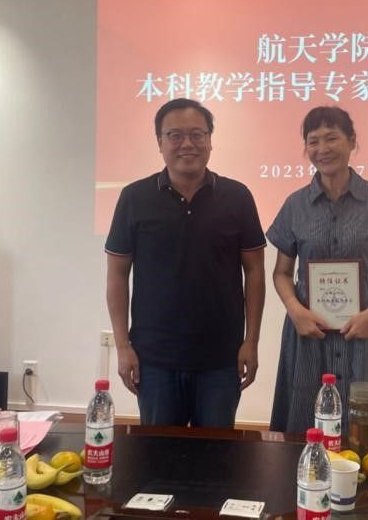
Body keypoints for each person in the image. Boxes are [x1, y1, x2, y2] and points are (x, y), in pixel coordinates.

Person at [105, 98, 266, 428]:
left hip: (221, 358)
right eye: (175, 135)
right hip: (155, 360)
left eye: (197, 134)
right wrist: (123, 346)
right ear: (160, 142)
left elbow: (254, 272)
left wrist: (251, 342)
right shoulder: (134, 197)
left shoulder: (237, 197)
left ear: (210, 140)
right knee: (159, 454)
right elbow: (117, 275)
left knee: (216, 455)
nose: (187, 144)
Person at [267, 106, 368, 441]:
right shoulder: (294, 205)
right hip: (309, 335)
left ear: (352, 141)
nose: (322, 148)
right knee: (304, 427)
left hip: (365, 333)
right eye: (313, 141)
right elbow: (281, 273)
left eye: (331, 138)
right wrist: (296, 310)